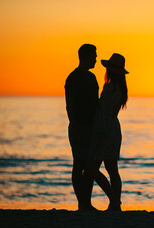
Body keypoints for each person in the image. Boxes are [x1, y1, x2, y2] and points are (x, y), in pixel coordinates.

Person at [85, 53, 128, 211]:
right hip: (114, 128)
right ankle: (115, 204)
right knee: (112, 170)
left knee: (91, 168)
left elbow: (103, 112)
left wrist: (99, 134)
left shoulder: (109, 87)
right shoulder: (121, 88)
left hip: (104, 128)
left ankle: (114, 201)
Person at [64, 44, 99, 211]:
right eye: (94, 55)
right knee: (79, 164)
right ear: (85, 56)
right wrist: (76, 128)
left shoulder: (92, 78)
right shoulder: (73, 78)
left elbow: (96, 104)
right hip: (79, 127)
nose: (96, 59)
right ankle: (82, 203)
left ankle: (86, 202)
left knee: (90, 165)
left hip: (92, 128)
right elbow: (70, 106)